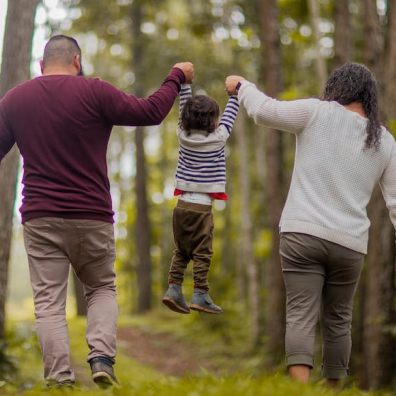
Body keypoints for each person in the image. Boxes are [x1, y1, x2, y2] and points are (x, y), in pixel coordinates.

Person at [0, 34, 194, 388]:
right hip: (91, 214)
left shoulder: (15, 99)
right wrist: (176, 76)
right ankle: (102, 358)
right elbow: (150, 112)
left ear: (42, 65)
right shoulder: (94, 91)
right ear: (77, 61)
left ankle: (59, 380)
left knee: (48, 303)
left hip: (40, 216)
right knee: (102, 287)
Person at [225, 63, 396, 386]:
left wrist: (242, 85)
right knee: (339, 321)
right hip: (350, 244)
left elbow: (263, 111)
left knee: (301, 314)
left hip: (302, 234)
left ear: (336, 88)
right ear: (369, 97)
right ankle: (333, 390)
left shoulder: (317, 112)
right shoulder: (384, 141)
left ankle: (300, 390)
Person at [161, 83, 239, 314]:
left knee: (181, 251)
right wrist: (234, 94)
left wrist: (185, 84)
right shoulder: (219, 138)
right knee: (202, 253)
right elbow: (230, 115)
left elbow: (183, 106)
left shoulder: (182, 135)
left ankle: (173, 289)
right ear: (213, 121)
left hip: (182, 206)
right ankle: (200, 293)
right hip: (202, 209)